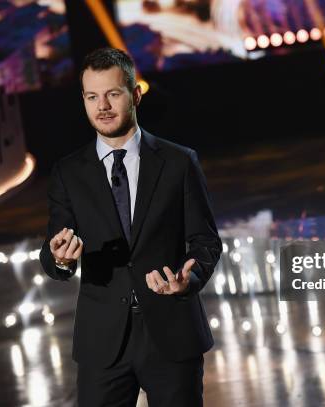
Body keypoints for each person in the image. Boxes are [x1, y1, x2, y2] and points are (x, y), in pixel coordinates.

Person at [39, 47, 222, 407]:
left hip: (171, 334)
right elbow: (54, 253)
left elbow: (206, 241)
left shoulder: (178, 161)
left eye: (113, 94)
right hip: (102, 341)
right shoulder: (68, 172)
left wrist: (191, 278)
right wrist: (59, 258)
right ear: (84, 101)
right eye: (92, 96)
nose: (102, 106)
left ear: (135, 94)